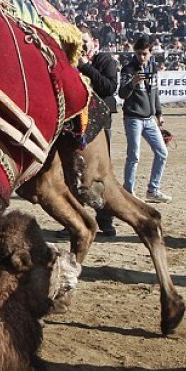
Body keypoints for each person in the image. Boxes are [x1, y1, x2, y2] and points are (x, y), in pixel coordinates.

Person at [77, 25, 120, 236]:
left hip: (101, 127)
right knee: (74, 173)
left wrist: (86, 67)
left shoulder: (106, 61)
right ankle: (75, 220)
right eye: (79, 41)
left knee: (100, 174)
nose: (82, 44)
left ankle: (105, 222)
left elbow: (109, 87)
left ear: (95, 42)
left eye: (85, 40)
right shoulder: (72, 61)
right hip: (77, 127)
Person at [118, 35, 170, 203]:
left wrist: (159, 114)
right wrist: (132, 83)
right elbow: (122, 94)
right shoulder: (129, 70)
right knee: (134, 155)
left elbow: (154, 93)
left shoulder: (152, 69)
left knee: (162, 152)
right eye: (139, 53)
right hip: (133, 118)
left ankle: (153, 189)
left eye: (144, 54)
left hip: (149, 119)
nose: (141, 57)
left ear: (150, 53)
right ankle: (128, 191)